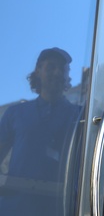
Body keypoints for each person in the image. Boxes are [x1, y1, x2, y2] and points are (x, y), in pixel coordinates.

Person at [0, 47, 82, 215]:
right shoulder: (16, 113)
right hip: (14, 207)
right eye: (51, 67)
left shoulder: (80, 115)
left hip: (60, 208)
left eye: (63, 69)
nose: (58, 72)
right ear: (38, 71)